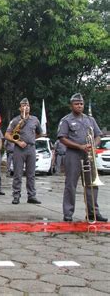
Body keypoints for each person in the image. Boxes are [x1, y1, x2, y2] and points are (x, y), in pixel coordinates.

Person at [57, 93, 107, 222]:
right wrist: (79, 146)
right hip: (73, 154)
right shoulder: (66, 120)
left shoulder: (90, 120)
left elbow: (98, 135)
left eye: (81, 104)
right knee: (70, 185)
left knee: (91, 184)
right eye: (76, 104)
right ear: (71, 105)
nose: (79, 106)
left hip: (88, 154)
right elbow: (62, 138)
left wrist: (93, 145)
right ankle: (68, 213)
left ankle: (93, 213)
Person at [5, 98, 42, 205]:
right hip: (19, 149)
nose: (26, 107)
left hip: (31, 148)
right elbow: (7, 135)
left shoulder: (35, 119)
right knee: (18, 174)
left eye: (28, 106)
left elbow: (39, 133)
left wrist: (31, 139)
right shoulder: (15, 120)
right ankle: (16, 196)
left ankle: (31, 196)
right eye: (23, 106)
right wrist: (18, 141)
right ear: (20, 108)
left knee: (31, 174)